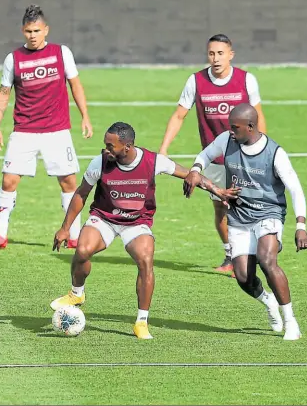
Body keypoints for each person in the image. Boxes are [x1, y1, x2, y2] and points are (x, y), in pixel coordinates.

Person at [50, 122, 236, 339]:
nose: (106, 150)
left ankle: (141, 322)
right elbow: (81, 194)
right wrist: (65, 228)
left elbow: (189, 174)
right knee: (82, 250)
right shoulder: (99, 163)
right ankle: (76, 294)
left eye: (111, 147)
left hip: (137, 222)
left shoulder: (153, 161)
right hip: (105, 217)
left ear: (127, 147)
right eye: (105, 145)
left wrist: (217, 190)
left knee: (145, 260)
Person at [183, 103, 307, 340]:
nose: (230, 131)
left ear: (250, 127)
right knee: (242, 276)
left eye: (235, 127)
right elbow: (205, 154)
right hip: (239, 216)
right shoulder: (227, 140)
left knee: (267, 259)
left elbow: (295, 189)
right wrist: (196, 170)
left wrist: (301, 226)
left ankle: (291, 320)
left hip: (268, 213)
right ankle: (268, 301)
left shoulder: (275, 153)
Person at [0, 4, 93, 251]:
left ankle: (74, 235)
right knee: (9, 181)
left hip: (57, 130)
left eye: (37, 30)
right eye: (28, 31)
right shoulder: (13, 59)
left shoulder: (62, 53)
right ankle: (0, 234)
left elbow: (76, 85)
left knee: (68, 182)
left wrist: (85, 116)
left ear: (46, 30)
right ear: (23, 31)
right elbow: (3, 92)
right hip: (24, 131)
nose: (32, 35)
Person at [159, 34, 268, 275]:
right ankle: (231, 256)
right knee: (221, 208)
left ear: (231, 54)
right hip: (216, 160)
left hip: (245, 158)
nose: (215, 58)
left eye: (220, 53)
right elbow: (179, 116)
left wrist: (262, 151)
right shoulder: (196, 81)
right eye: (211, 53)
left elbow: (258, 116)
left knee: (248, 206)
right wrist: (164, 149)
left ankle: (255, 253)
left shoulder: (246, 80)